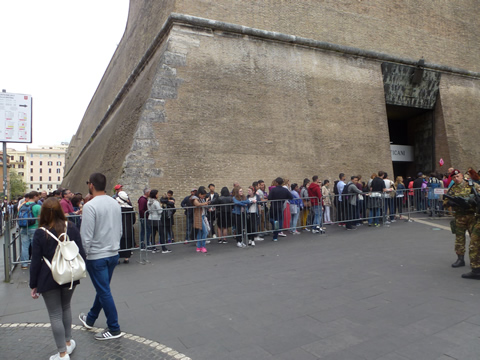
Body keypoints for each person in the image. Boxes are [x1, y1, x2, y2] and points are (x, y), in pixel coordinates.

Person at [29, 197, 86, 360]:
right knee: (66, 307)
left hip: (49, 276)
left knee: (55, 314)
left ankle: (62, 354)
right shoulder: (72, 227)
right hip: (70, 274)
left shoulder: (41, 233)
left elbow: (35, 260)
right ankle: (68, 343)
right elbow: (81, 252)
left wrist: (33, 284)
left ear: (44, 214)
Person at [78, 173, 124, 340]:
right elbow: (119, 230)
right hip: (112, 253)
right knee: (102, 289)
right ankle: (90, 319)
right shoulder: (115, 203)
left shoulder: (90, 206)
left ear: (91, 185)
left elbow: (86, 236)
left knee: (104, 291)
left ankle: (114, 328)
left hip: (96, 255)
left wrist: (83, 256)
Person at [443, 169, 480, 273]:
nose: (456, 179)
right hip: (459, 217)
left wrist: (473, 201)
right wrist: (451, 203)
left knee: (475, 240)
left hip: (472, 216)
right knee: (459, 239)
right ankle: (460, 259)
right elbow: (445, 202)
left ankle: (476, 262)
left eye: (458, 176)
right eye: (454, 177)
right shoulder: (452, 189)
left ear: (462, 176)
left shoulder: (472, 185)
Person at [19, 191, 42, 269]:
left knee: (24, 246)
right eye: (38, 197)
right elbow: (40, 218)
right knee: (35, 247)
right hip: (34, 228)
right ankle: (35, 263)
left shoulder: (22, 205)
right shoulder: (37, 206)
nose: (39, 199)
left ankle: (24, 264)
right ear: (35, 196)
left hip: (24, 228)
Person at [268, 177, 293, 241]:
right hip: (280, 206)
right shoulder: (285, 190)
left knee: (270, 218)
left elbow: (269, 198)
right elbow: (291, 197)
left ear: (276, 182)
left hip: (273, 206)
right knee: (279, 220)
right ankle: (275, 237)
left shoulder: (273, 190)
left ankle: (274, 224)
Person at [147, 190, 171, 254]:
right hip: (157, 219)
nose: (158, 195)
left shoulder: (149, 201)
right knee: (161, 233)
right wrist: (162, 208)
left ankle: (153, 248)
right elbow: (159, 211)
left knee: (153, 234)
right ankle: (164, 249)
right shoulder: (156, 202)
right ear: (155, 195)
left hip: (150, 218)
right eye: (157, 194)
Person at [116, 191, 136, 263]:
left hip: (118, 228)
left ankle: (117, 258)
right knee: (127, 243)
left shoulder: (117, 208)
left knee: (119, 244)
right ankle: (126, 258)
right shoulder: (130, 208)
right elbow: (133, 219)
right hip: (128, 228)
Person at [190, 186, 211, 253]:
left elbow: (203, 205)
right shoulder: (194, 198)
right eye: (203, 196)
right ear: (199, 194)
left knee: (200, 232)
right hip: (199, 217)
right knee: (205, 232)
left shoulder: (201, 199)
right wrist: (204, 203)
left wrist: (206, 202)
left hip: (203, 216)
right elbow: (197, 204)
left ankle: (199, 247)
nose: (203, 197)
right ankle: (203, 246)